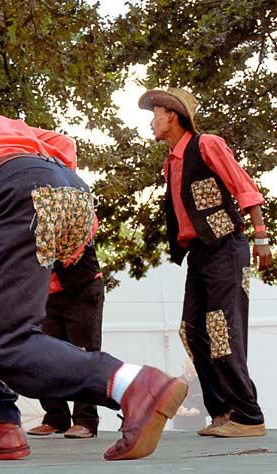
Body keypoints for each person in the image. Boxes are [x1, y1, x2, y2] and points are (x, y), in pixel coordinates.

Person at [0, 49, 188, 461]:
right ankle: (1, 427)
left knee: (6, 344)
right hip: (65, 188)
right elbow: (62, 143)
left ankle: (131, 383)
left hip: (13, 192)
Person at [138, 87, 272, 437]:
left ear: (172, 115)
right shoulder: (172, 161)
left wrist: (261, 238)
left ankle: (249, 415)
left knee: (221, 328)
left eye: (155, 114)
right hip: (199, 253)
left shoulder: (206, 144)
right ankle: (224, 411)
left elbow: (245, 188)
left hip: (226, 247)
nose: (152, 122)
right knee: (192, 330)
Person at [26, 247, 105, 439]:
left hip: (81, 286)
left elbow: (87, 226)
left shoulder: (75, 215)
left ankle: (85, 420)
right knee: (42, 356)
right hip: (44, 292)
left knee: (83, 354)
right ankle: (56, 417)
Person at [172, 358, 208, 431]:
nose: (189, 375)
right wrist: (177, 409)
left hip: (199, 426)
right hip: (179, 427)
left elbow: (210, 404)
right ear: (183, 368)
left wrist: (200, 410)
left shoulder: (202, 383)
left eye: (192, 372)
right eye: (187, 372)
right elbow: (167, 404)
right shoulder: (175, 383)